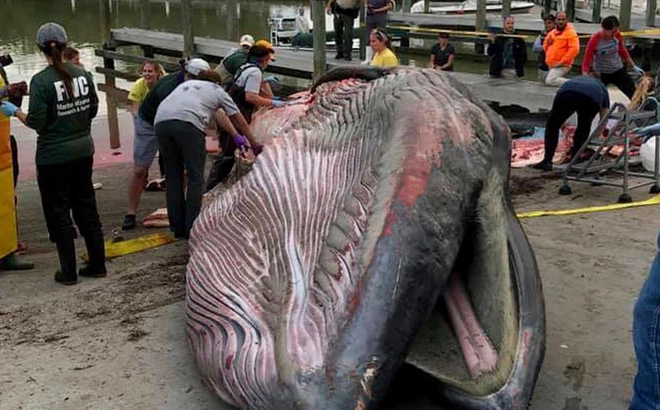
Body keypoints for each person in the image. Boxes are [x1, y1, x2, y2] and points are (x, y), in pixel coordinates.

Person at [1, 22, 105, 285]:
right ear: (65, 44)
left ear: (40, 49)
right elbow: (92, 110)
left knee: (58, 211)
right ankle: (97, 264)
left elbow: (37, 122)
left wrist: (14, 111)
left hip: (53, 157)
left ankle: (68, 272)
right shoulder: (83, 75)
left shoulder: (42, 81)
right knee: (86, 207)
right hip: (83, 150)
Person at [153, 70, 256, 239]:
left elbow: (219, 114)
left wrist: (234, 135)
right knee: (195, 177)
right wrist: (254, 143)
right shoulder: (217, 91)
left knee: (173, 177)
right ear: (217, 83)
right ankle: (192, 227)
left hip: (161, 123)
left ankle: (177, 227)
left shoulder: (187, 86)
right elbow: (240, 121)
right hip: (188, 124)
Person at [121, 57, 210, 231]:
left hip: (172, 122)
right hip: (149, 123)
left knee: (179, 169)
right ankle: (130, 212)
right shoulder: (169, 87)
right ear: (186, 74)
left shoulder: (192, 84)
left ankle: (180, 210)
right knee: (140, 170)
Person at [207, 41, 292, 191]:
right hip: (238, 111)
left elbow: (258, 88)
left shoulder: (245, 67)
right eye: (268, 60)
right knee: (228, 153)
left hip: (229, 108)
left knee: (227, 149)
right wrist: (272, 103)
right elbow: (250, 97)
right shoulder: (255, 72)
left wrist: (271, 98)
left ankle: (216, 183)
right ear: (264, 59)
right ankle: (210, 188)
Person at [531, 76, 610, 171]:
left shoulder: (574, 79)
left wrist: (560, 122)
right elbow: (604, 118)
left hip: (566, 93)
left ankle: (547, 161)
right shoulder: (602, 89)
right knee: (584, 125)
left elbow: (556, 111)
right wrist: (596, 137)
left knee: (552, 126)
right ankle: (575, 159)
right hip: (590, 98)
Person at [0, 54, 33, 271]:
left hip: (3, 147)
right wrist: (5, 91)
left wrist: (16, 93)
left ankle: (7, 251)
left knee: (6, 201)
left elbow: (6, 103)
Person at [581, 15, 644, 99]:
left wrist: (633, 66)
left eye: (616, 31)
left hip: (617, 70)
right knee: (595, 96)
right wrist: (585, 75)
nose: (614, 34)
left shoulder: (617, 35)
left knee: (632, 92)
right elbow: (587, 60)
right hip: (601, 73)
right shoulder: (594, 41)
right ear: (604, 29)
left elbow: (622, 51)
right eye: (612, 32)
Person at [127, 60, 167, 191]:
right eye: (144, 71)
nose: (146, 74)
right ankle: (143, 178)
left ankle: (165, 177)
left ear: (157, 73)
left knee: (164, 148)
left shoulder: (164, 84)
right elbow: (135, 108)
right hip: (144, 118)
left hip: (161, 117)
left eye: (150, 71)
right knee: (142, 149)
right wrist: (141, 127)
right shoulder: (140, 84)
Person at [543, 11, 580, 87]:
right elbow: (545, 48)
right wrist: (547, 43)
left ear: (567, 20)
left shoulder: (571, 33)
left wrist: (561, 61)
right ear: (555, 20)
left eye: (563, 19)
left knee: (550, 81)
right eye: (559, 19)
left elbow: (575, 49)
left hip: (563, 64)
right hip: (551, 64)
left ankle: (575, 83)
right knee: (548, 83)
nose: (561, 21)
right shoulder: (552, 32)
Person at [533, 13, 555, 83]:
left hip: (553, 68)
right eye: (545, 23)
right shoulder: (542, 35)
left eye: (549, 23)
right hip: (542, 66)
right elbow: (535, 48)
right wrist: (547, 46)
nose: (547, 25)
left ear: (554, 24)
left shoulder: (558, 35)